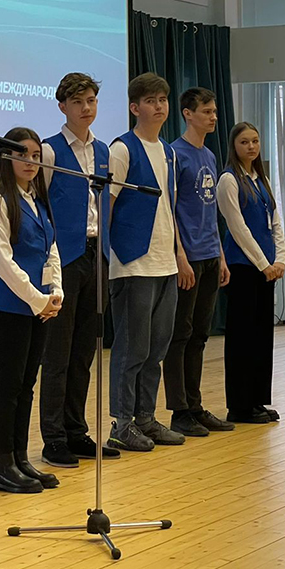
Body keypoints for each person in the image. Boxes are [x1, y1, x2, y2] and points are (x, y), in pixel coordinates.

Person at [38, 73, 120, 468]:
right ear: (62, 107)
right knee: (58, 352)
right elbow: (41, 203)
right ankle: (53, 438)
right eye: (77, 102)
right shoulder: (49, 151)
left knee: (85, 350)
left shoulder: (103, 150)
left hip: (95, 254)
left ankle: (76, 430)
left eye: (91, 101)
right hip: (63, 256)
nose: (86, 108)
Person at [0, 127, 63, 493]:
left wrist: (55, 292)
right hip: (9, 306)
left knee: (27, 385)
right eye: (22, 154)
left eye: (35, 156)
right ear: (6, 157)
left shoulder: (37, 200)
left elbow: (51, 251)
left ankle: (20, 457)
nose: (30, 162)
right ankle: (1, 465)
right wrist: (35, 298)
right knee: (9, 384)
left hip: (38, 306)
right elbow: (1, 259)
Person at [107, 72, 185, 451]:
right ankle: (121, 424)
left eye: (163, 100)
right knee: (131, 349)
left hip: (165, 263)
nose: (159, 107)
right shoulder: (122, 150)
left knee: (156, 349)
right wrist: (110, 258)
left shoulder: (169, 151)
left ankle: (146, 418)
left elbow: (170, 207)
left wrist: (179, 254)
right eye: (151, 101)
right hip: (133, 264)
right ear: (135, 107)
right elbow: (106, 206)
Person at [164, 87, 234, 437]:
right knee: (181, 334)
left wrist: (220, 254)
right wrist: (180, 254)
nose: (213, 117)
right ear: (187, 114)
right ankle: (179, 411)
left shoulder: (208, 155)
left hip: (209, 254)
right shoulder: (175, 154)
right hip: (187, 257)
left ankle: (195, 405)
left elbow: (210, 212)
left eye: (214, 111)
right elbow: (171, 209)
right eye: (206, 111)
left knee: (200, 335)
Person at [216, 122, 285, 425]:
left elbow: (275, 224)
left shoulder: (261, 180)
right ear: (234, 146)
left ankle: (257, 400)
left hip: (267, 269)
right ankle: (240, 405)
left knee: (261, 337)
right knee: (242, 337)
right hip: (244, 269)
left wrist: (280, 259)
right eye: (244, 142)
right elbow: (238, 228)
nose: (251, 147)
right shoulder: (228, 180)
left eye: (255, 141)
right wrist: (262, 263)